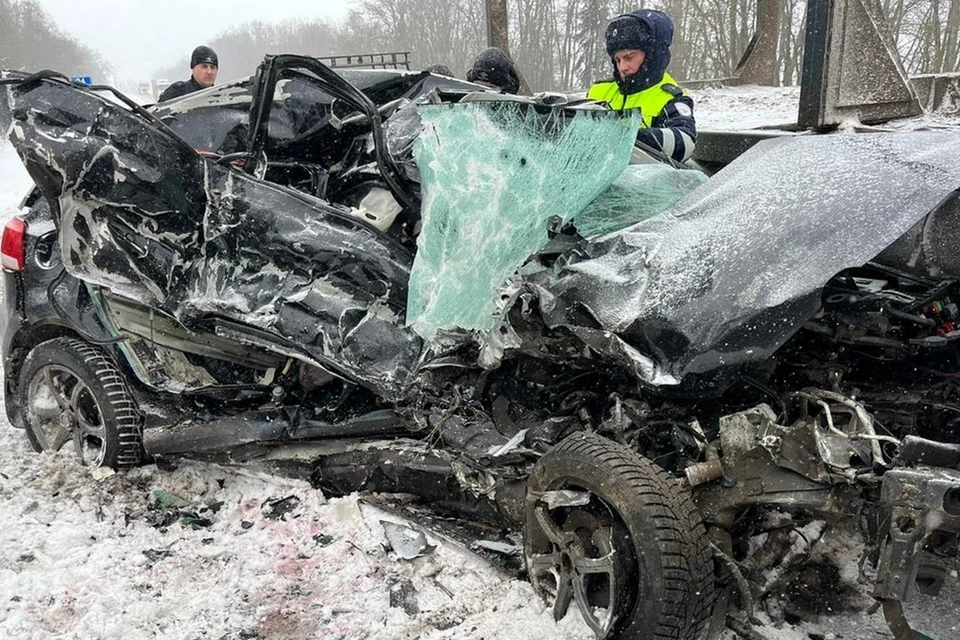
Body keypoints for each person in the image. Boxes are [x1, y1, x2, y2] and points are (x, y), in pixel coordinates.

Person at [588, 10, 696, 164]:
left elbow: (685, 143)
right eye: (617, 60)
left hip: (644, 184)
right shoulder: (598, 91)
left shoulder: (670, 98)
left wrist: (628, 137)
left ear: (653, 54)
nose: (622, 67)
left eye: (629, 57)